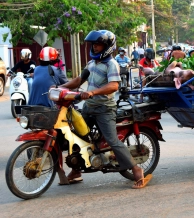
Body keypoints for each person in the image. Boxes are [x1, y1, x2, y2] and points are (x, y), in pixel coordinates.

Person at [59, 30, 152, 188]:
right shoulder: (92, 63)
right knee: (76, 136)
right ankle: (76, 171)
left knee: (112, 141)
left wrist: (93, 92)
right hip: (89, 107)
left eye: (98, 44)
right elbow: (79, 80)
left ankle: (136, 170)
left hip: (105, 109)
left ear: (107, 46)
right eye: (93, 44)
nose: (95, 47)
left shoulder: (112, 64)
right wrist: (60, 87)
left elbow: (113, 85)